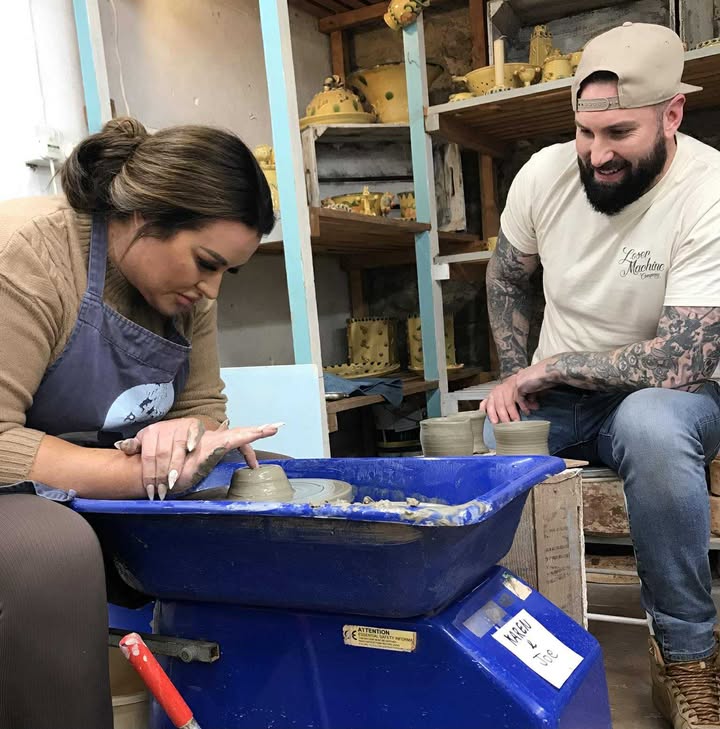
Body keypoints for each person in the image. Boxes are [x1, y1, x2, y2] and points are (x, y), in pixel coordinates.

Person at [0, 117, 281, 727]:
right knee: (50, 549)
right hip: (13, 478)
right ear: (145, 217)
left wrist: (186, 435)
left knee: (265, 501)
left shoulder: (185, 290)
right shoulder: (31, 260)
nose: (210, 290)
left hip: (88, 473)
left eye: (224, 273)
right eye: (206, 263)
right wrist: (139, 477)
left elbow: (203, 403)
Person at [481, 22, 720, 728]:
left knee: (651, 425)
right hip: (562, 396)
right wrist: (511, 378)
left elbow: (681, 358)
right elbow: (505, 279)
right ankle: (500, 644)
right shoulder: (544, 174)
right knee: (479, 446)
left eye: (619, 133)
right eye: (586, 133)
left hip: (672, 395)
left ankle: (686, 657)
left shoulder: (708, 189)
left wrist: (549, 366)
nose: (597, 153)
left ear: (672, 113)